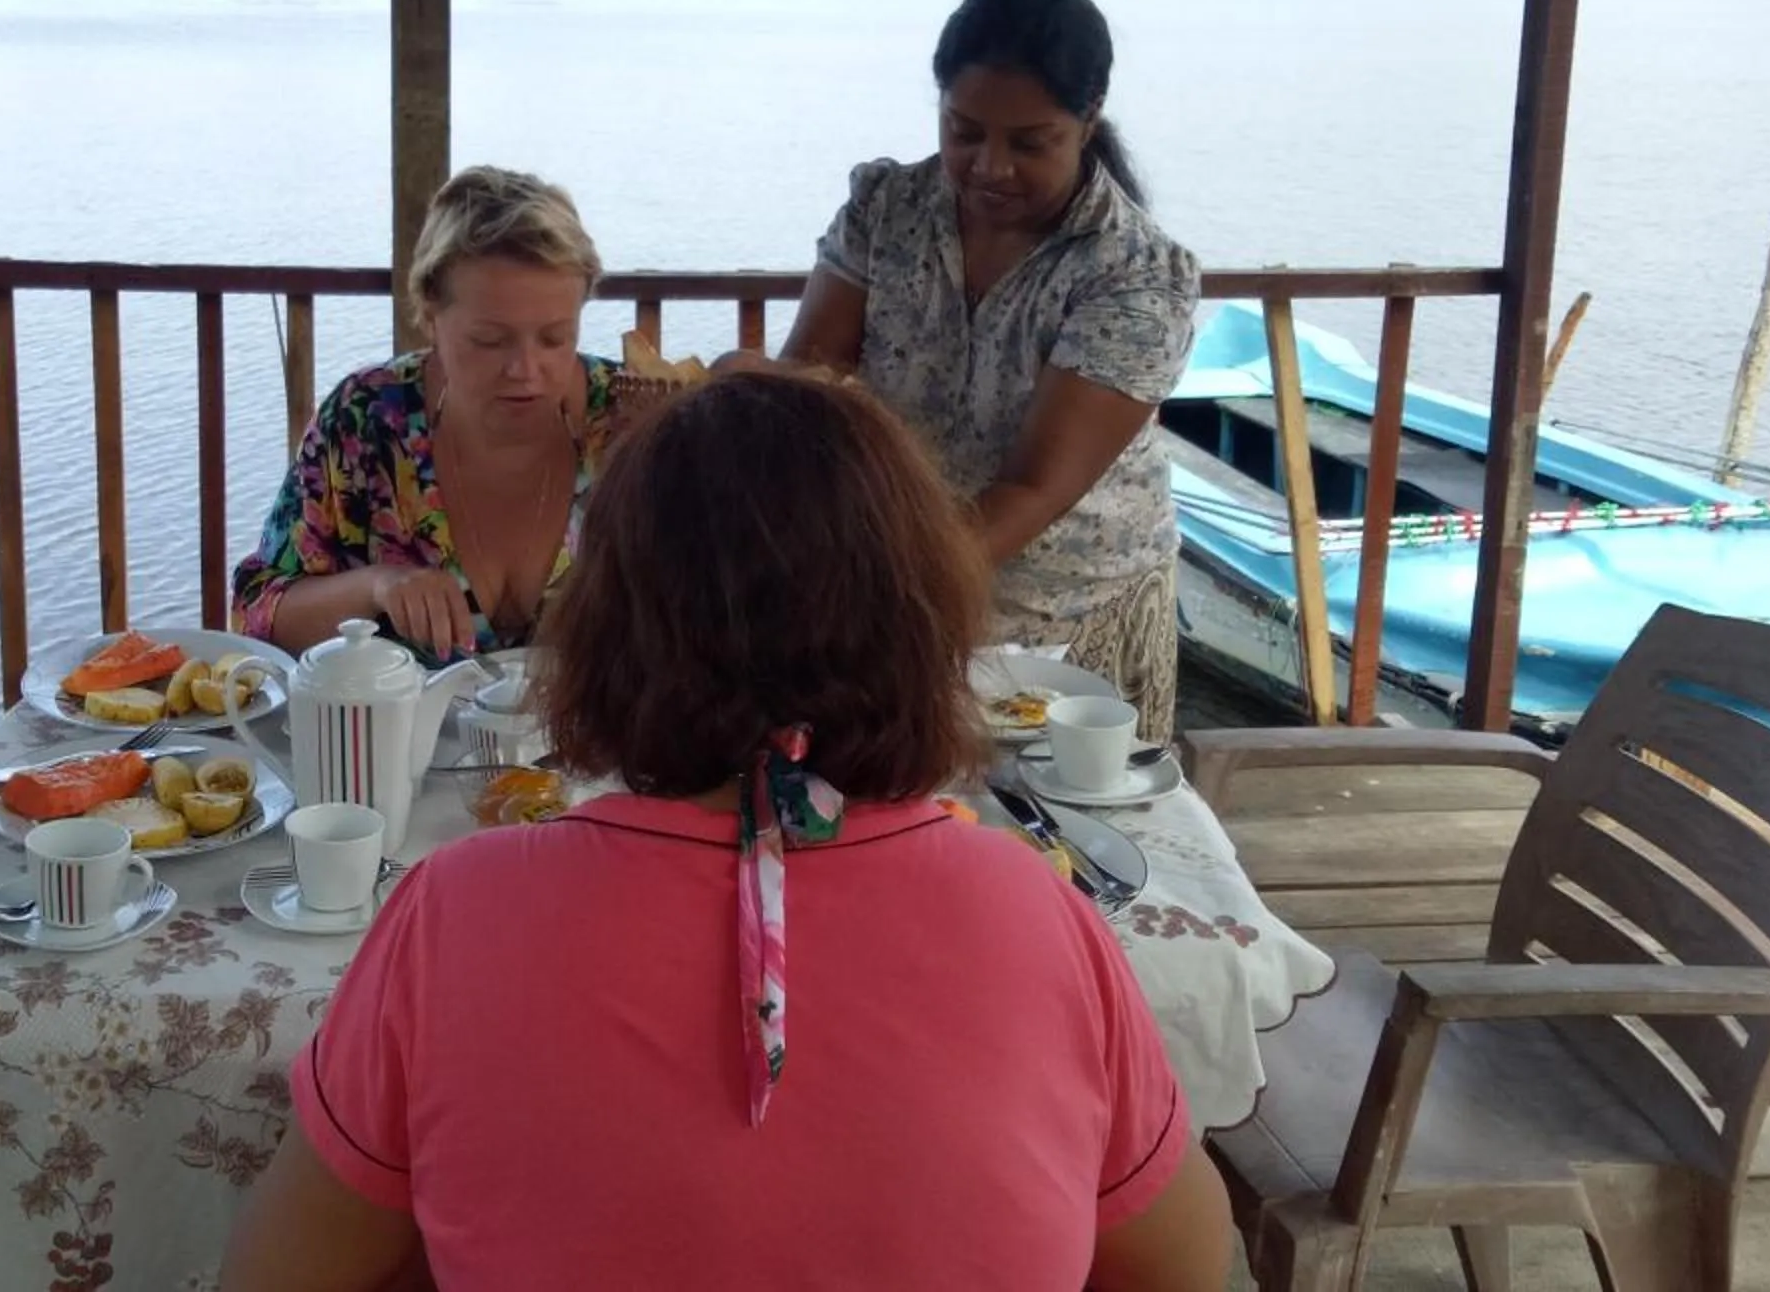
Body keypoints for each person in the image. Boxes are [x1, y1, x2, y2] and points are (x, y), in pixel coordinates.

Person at [221, 373, 1233, 1292]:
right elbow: (1180, 1264)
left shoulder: (451, 912)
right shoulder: (1039, 911)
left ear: (612, 633)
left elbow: (277, 1273)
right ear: (919, 625)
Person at [768, 0, 1201, 742]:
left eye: (1029, 143)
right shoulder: (887, 208)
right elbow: (813, 383)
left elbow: (1034, 487)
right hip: (887, 594)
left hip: (1067, 618)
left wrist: (887, 591)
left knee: (1061, 851)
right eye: (963, 132)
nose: (989, 167)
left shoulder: (1131, 271)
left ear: (1088, 117)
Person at [233, 166, 622, 661]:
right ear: (429, 316)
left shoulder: (629, 419)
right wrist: (375, 587)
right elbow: (254, 616)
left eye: (555, 337)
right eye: (490, 340)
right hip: (395, 741)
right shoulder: (365, 420)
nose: (526, 369)